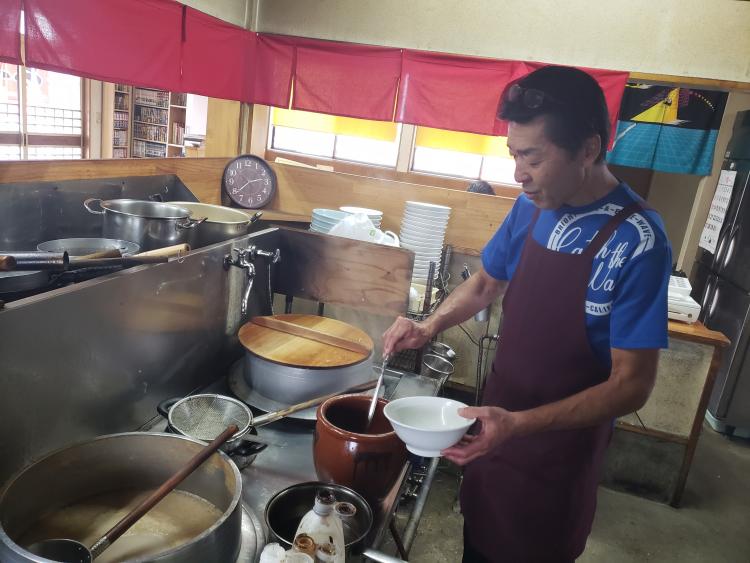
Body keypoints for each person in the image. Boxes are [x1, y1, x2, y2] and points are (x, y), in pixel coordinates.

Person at [382, 65, 671, 563]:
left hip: (556, 457)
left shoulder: (639, 241)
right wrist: (427, 326)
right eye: (514, 154)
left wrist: (518, 425)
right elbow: (487, 281)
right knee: (478, 543)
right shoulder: (531, 205)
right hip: (492, 429)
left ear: (589, 147)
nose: (519, 172)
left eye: (533, 156)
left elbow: (632, 385)